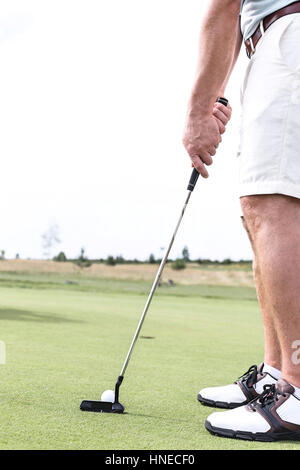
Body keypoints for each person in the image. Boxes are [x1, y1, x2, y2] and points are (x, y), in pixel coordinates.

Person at [183, 0, 300, 442]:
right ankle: (278, 378)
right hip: (276, 43)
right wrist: (212, 94)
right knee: (261, 212)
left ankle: (299, 390)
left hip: (290, 39)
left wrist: (198, 112)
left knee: (272, 205)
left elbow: (224, 6)